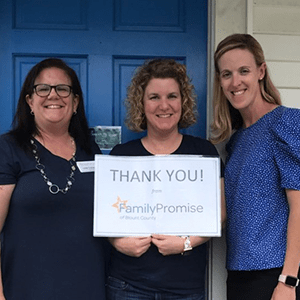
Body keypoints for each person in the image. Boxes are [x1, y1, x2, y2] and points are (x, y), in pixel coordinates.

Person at [107, 58, 225, 300]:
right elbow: (107, 215)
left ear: (183, 102)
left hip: (185, 288)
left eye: (172, 96)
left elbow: (219, 214)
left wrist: (185, 243)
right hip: (128, 286)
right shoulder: (122, 155)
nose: (164, 105)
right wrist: (118, 243)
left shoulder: (203, 153)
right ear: (142, 103)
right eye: (154, 97)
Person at [0, 58, 109, 299]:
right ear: (30, 100)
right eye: (43, 89)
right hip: (25, 288)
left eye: (63, 89)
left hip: (87, 287)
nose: (53, 95)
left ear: (75, 101)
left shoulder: (91, 150)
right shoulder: (8, 148)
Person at [211, 33, 300, 300]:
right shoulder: (235, 140)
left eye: (244, 71)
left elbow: (299, 206)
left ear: (261, 72)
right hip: (238, 275)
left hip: (275, 276)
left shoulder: (286, 123)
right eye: (227, 74)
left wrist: (288, 280)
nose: (235, 82)